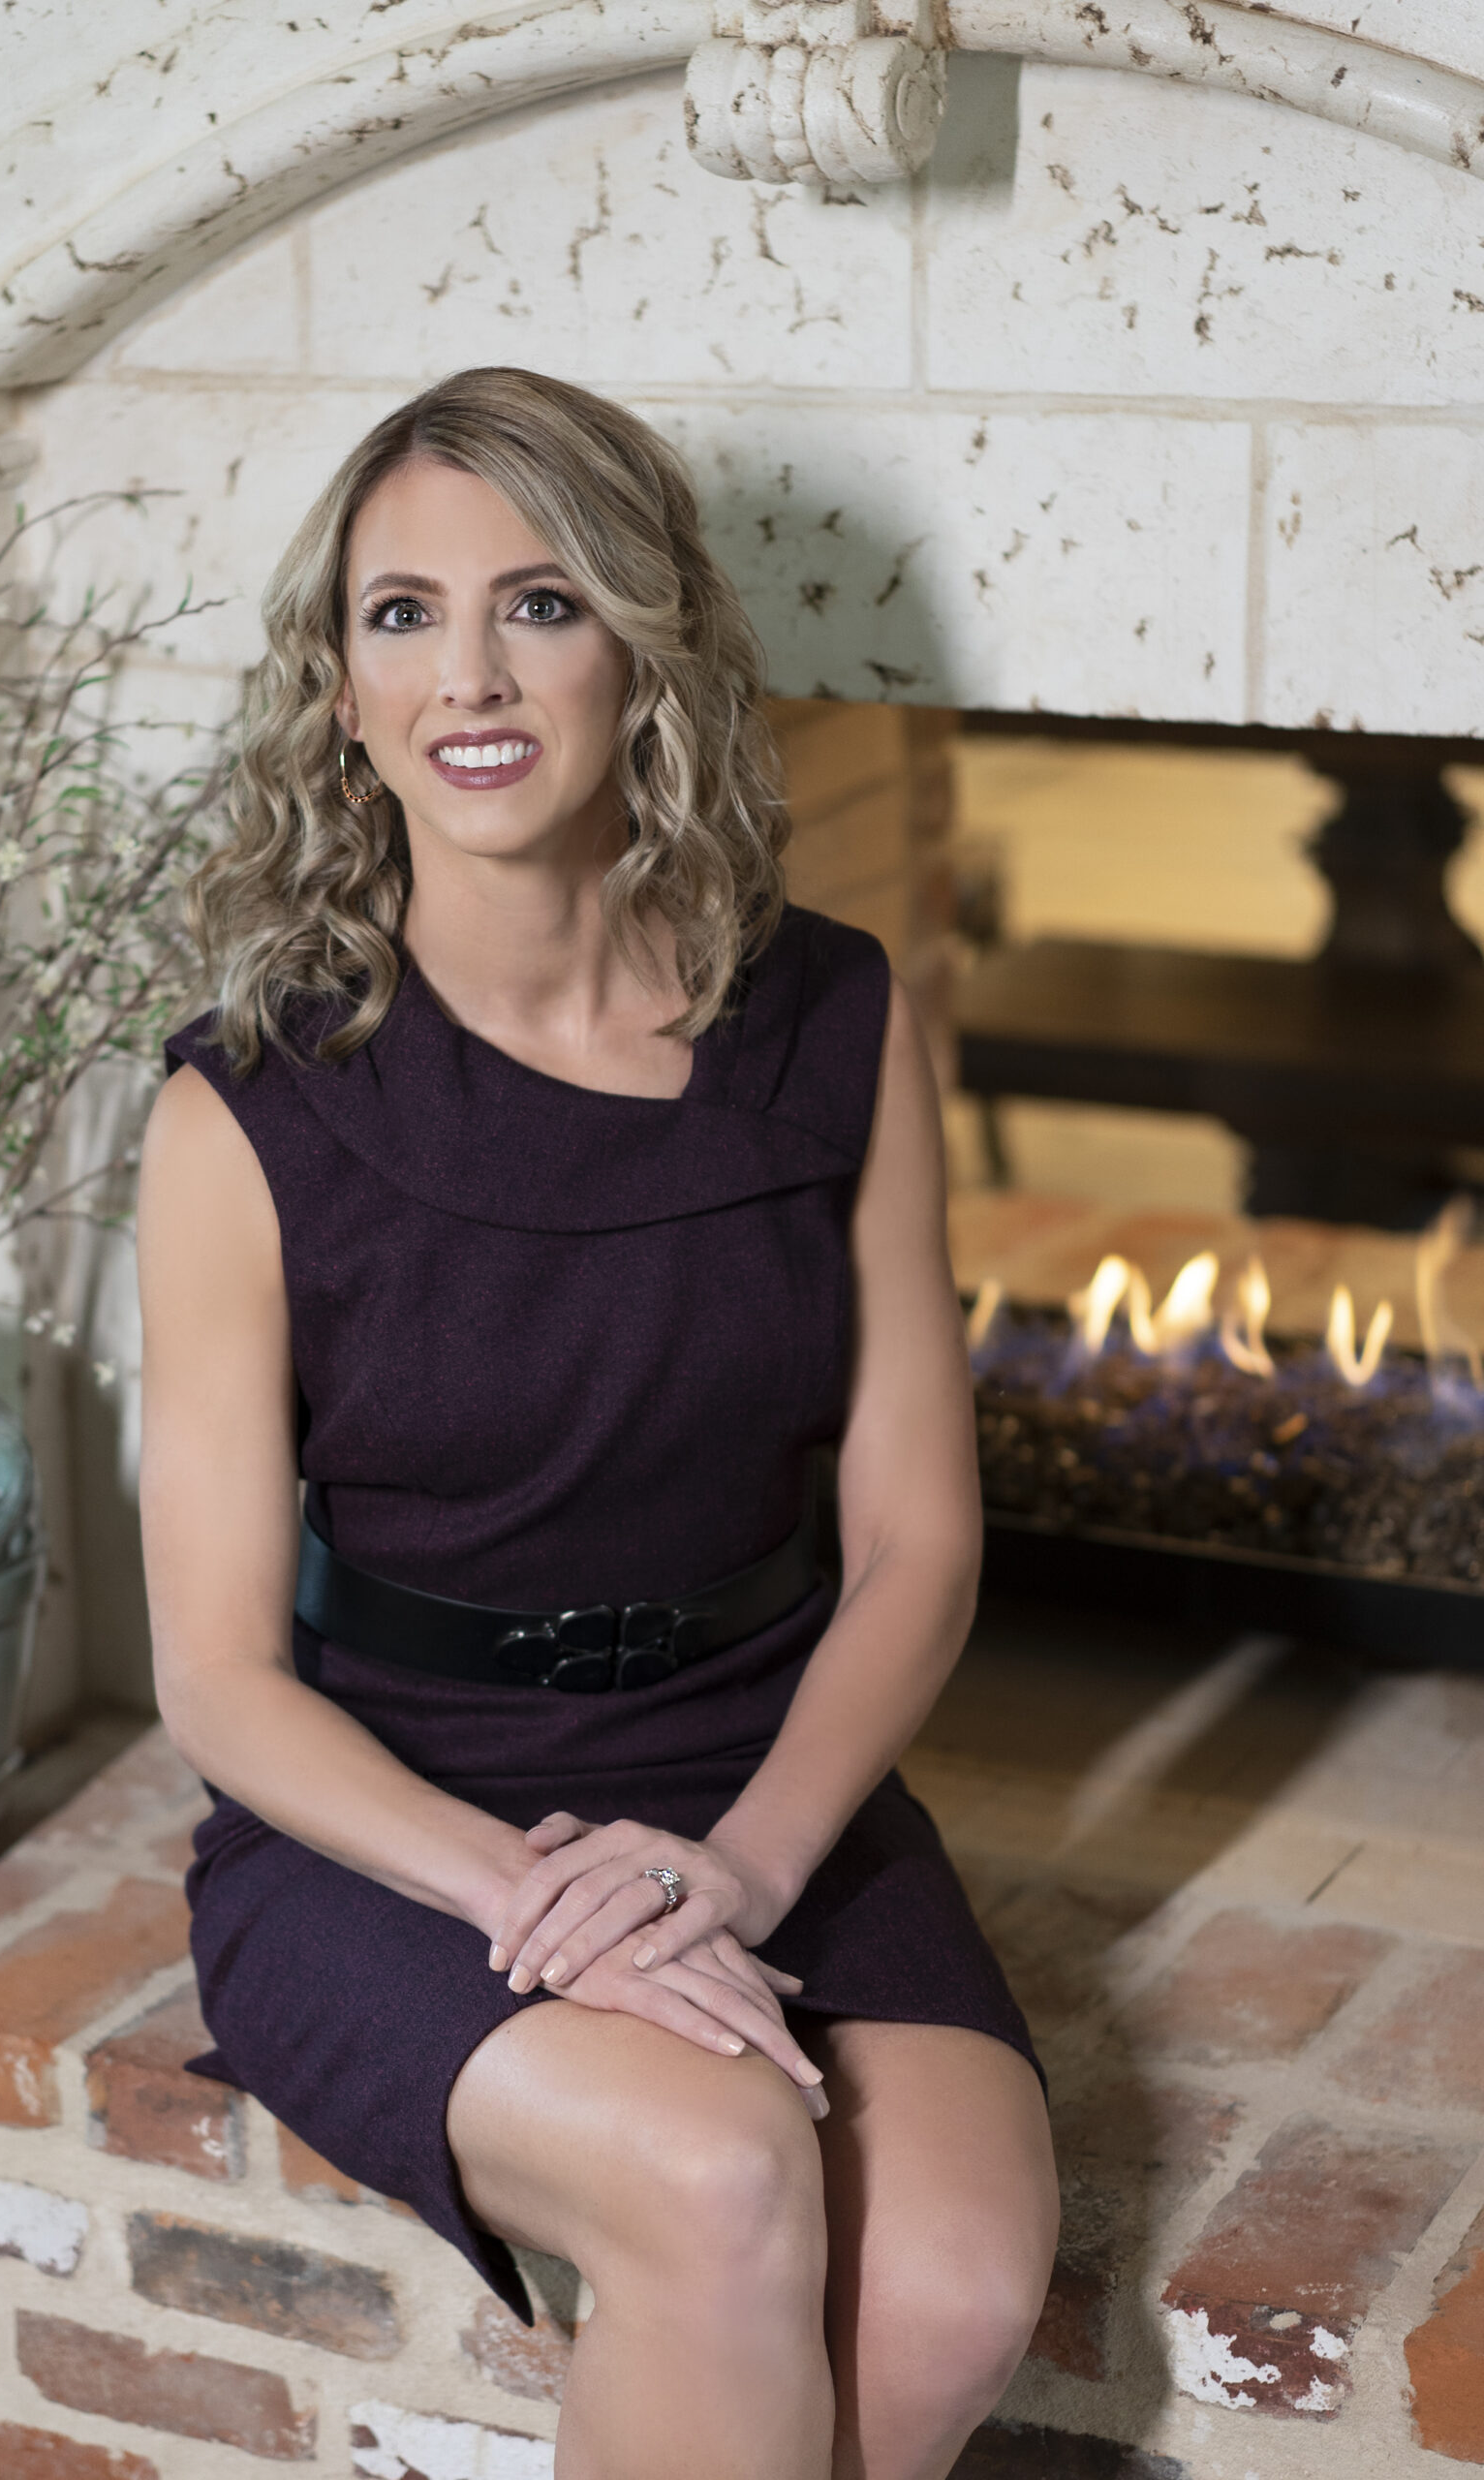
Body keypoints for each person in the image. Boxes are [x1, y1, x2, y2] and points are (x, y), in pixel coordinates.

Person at [136, 366, 1058, 2480]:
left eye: (537, 603)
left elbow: (915, 1542)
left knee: (945, 2288)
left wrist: (742, 1864)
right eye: (402, 614)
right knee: (721, 2173)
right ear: (340, 689)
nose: (467, 673)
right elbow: (218, 1675)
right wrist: (535, 1903)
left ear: (640, 648)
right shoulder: (245, 1110)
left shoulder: (835, 1021)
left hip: (751, 1774)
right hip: (394, 1814)